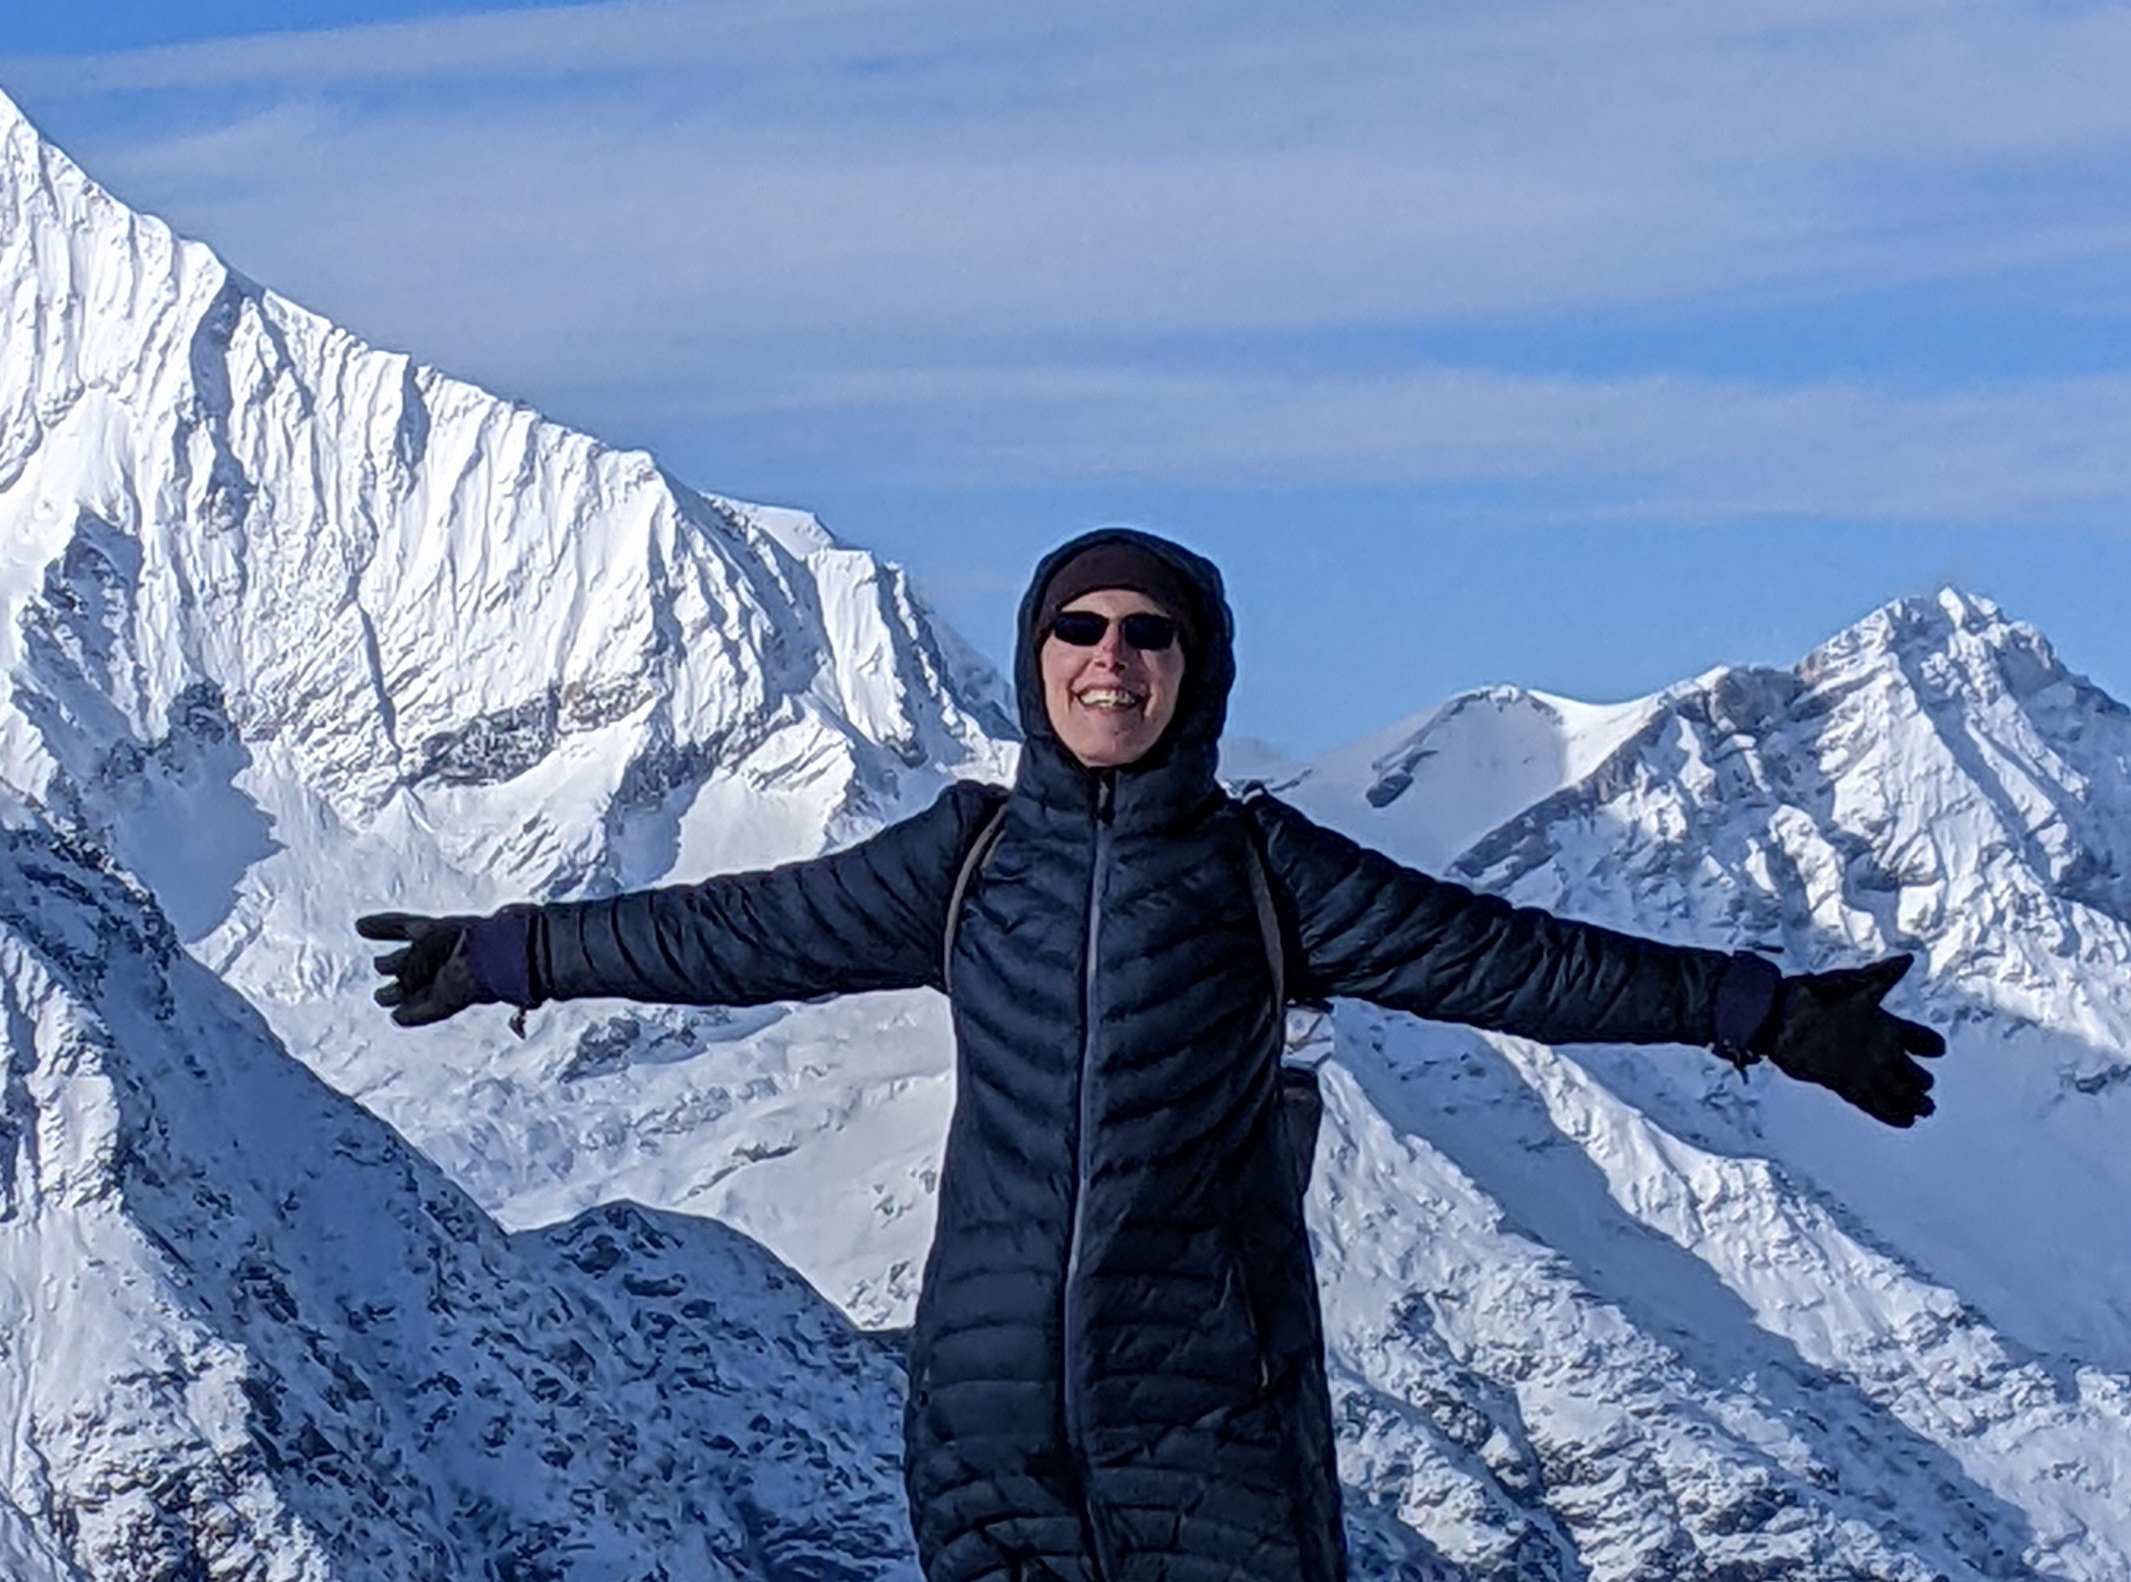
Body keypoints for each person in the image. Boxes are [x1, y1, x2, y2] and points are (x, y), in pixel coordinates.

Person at [357, 529, 1945, 1582]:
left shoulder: (1268, 873)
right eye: (1078, 628)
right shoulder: (963, 864)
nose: (1109, 657)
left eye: (1148, 634)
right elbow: (732, 934)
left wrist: (1763, 1012)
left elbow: (1512, 960)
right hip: (988, 1437)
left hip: (1212, 1429)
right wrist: (511, 953)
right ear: (1037, 658)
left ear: (1197, 672)